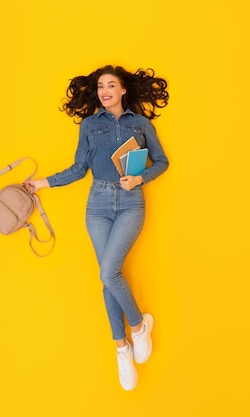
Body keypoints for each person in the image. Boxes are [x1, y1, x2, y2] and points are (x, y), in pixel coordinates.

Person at [25, 65, 169, 391]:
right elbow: (79, 169)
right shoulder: (90, 125)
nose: (104, 91)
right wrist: (41, 183)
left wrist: (140, 178)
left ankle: (138, 326)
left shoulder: (140, 123)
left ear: (122, 91)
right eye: (100, 86)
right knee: (108, 276)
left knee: (108, 272)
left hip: (131, 202)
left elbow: (161, 162)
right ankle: (122, 348)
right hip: (98, 204)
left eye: (111, 85)